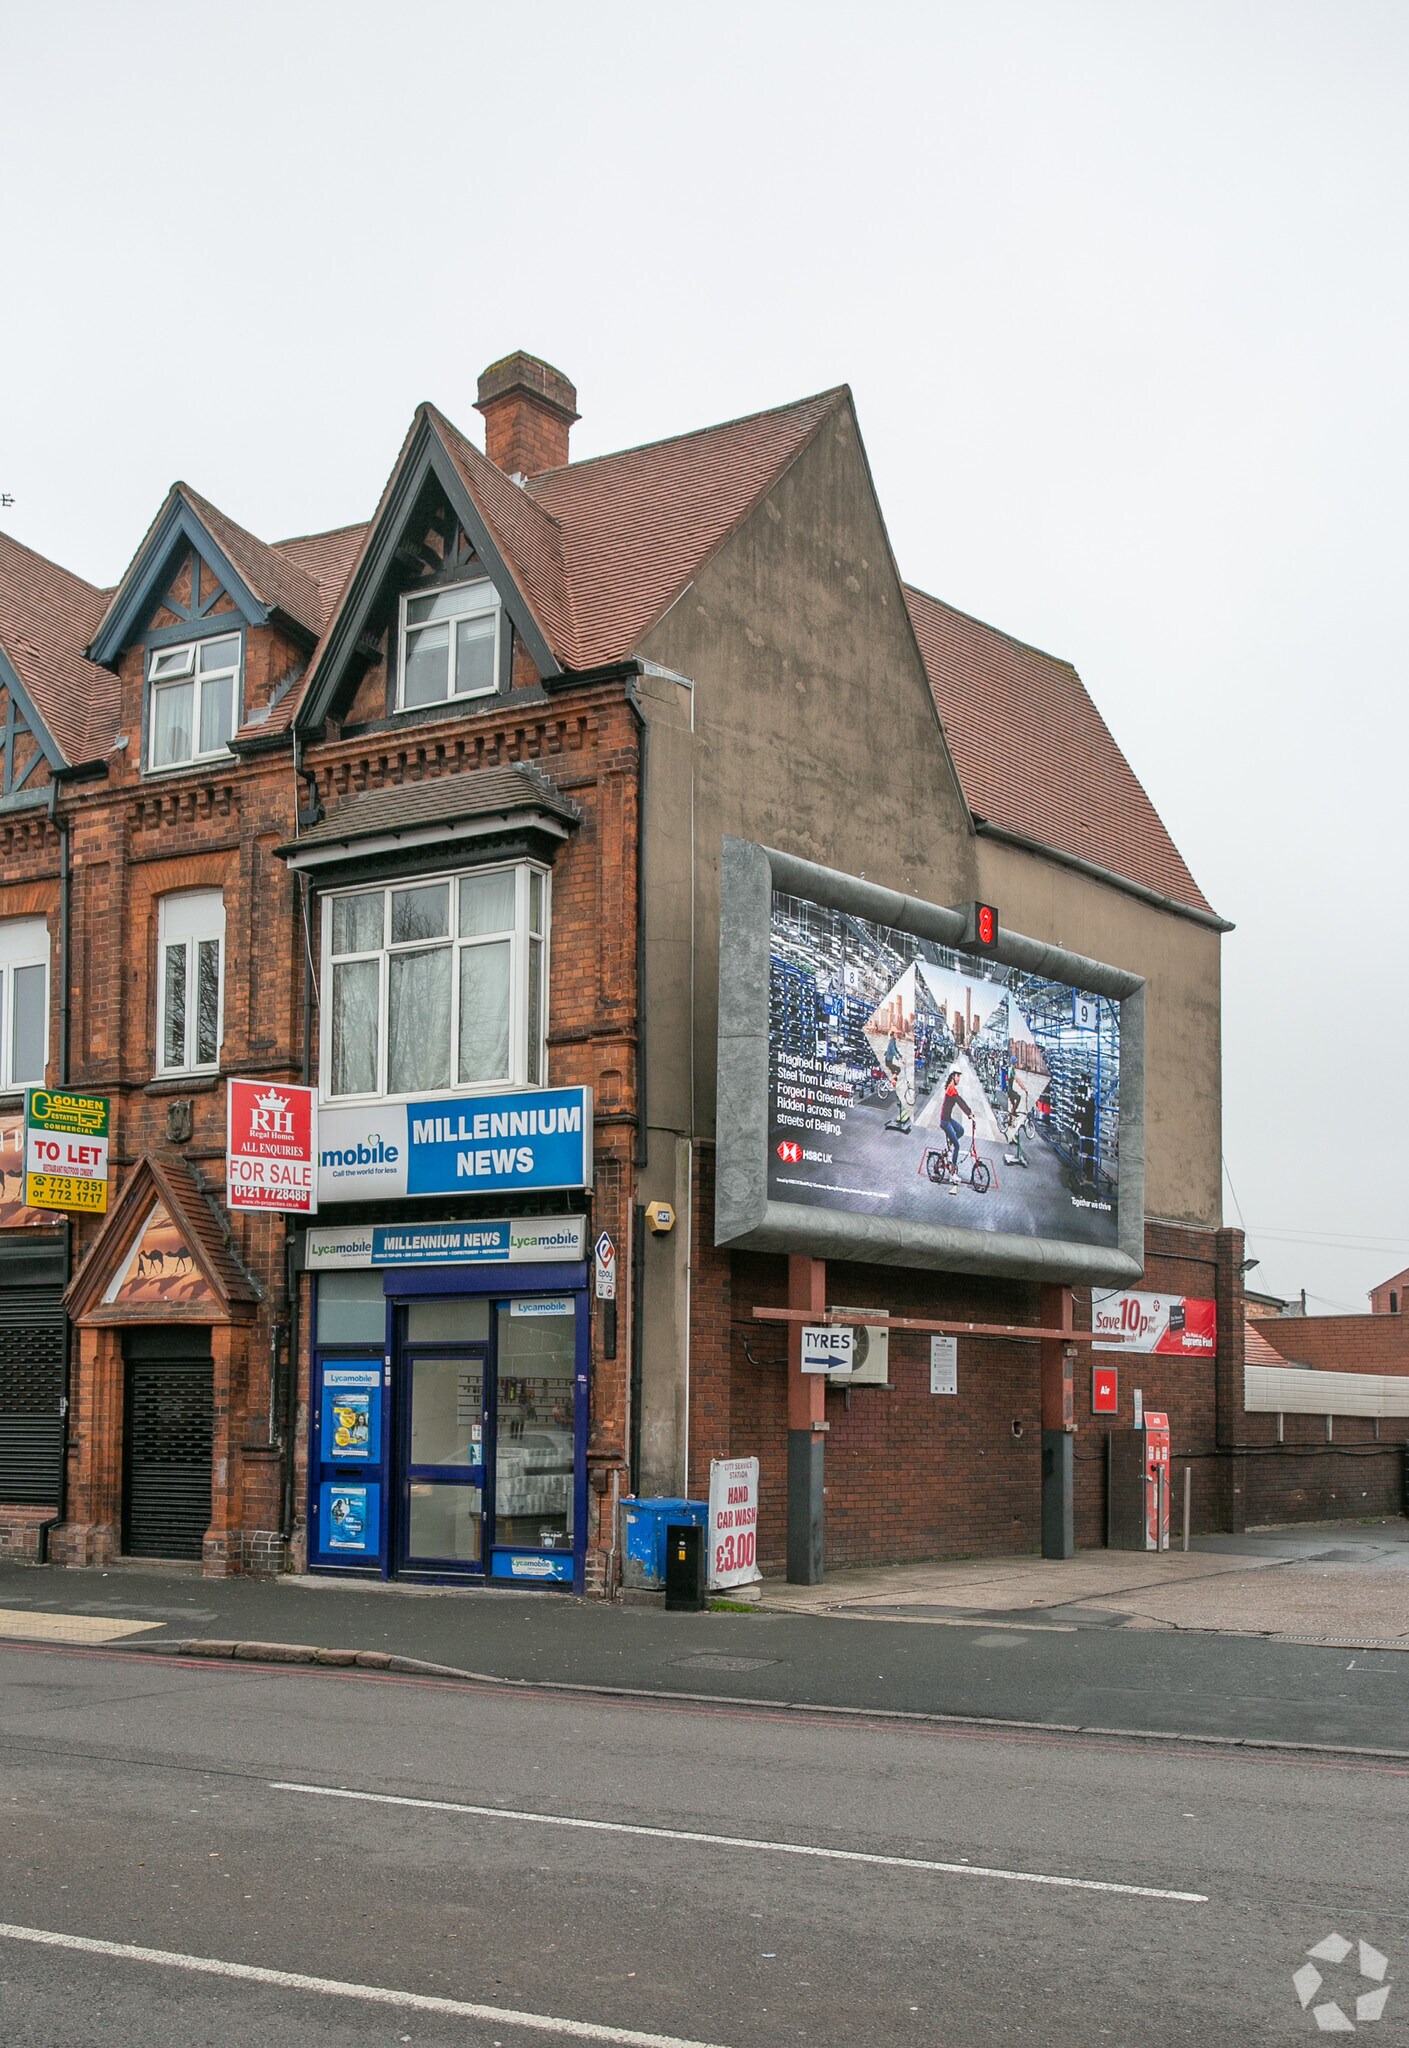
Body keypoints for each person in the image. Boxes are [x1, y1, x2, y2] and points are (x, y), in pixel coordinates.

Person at [938, 1069, 973, 1191]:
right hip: (945, 1121)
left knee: (961, 1130)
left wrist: (970, 1112)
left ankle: (949, 1146)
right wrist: (969, 1113)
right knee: (957, 1147)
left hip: (948, 1119)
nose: (959, 1079)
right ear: (953, 1076)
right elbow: (959, 1102)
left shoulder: (951, 1087)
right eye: (958, 1076)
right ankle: (952, 1174)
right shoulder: (951, 1089)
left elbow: (960, 1100)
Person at [1004, 1073, 1030, 1168]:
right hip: (1010, 1091)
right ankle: (1011, 1114)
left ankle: (1011, 1117)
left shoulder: (1011, 1070)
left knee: (1015, 1104)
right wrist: (1025, 1089)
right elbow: (1018, 1081)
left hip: (1009, 1090)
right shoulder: (1012, 1071)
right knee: (1018, 1098)